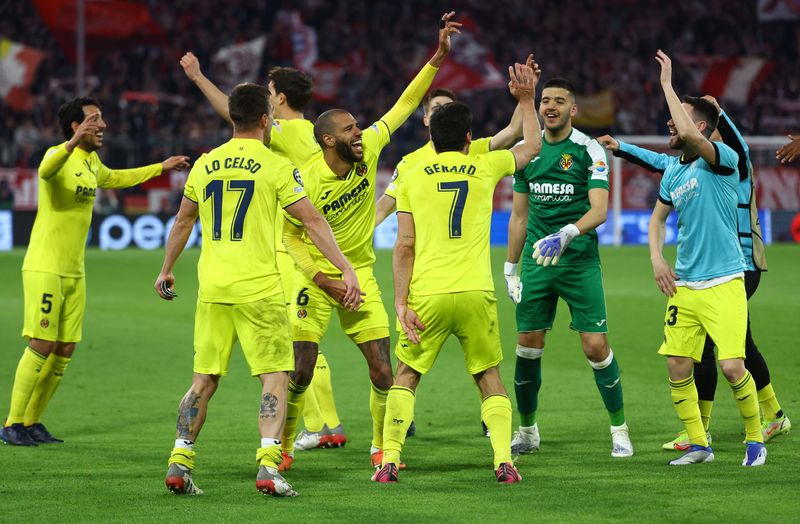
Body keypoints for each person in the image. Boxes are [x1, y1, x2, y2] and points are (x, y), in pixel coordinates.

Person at [154, 83, 361, 496]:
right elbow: (313, 223)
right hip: (259, 289)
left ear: (233, 118)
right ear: (266, 119)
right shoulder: (276, 166)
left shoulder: (206, 164)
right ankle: (269, 465)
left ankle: (180, 461)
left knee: (203, 381)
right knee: (275, 378)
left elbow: (181, 222)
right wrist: (345, 268)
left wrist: (166, 270)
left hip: (212, 287)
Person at [279, 11, 460, 472]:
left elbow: (403, 104)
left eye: (358, 127)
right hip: (318, 281)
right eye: (349, 130)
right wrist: (322, 276)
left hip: (361, 276)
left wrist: (437, 58)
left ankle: (381, 447)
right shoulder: (308, 181)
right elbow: (291, 236)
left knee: (382, 369)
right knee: (300, 370)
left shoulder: (370, 150)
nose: (359, 133)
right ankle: (281, 445)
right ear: (326, 139)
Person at [373, 59, 542, 484]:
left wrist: (400, 301)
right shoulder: (485, 165)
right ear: (470, 138)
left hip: (427, 293)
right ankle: (504, 460)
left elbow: (404, 245)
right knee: (488, 376)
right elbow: (531, 146)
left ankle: (389, 460)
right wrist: (526, 99)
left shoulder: (411, 173)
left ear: (430, 133)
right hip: (474, 291)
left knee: (407, 375)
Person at [598, 95, 790, 451]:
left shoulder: (735, 160)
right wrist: (621, 147)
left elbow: (717, 134)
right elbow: (663, 161)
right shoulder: (691, 165)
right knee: (739, 344)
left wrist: (719, 110)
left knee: (709, 345)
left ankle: (704, 428)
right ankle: (771, 414)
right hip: (712, 267)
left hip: (739, 263)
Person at [179, 54, 347, 451]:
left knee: (296, 342)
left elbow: (237, 115)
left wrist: (199, 78)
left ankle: (319, 426)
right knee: (303, 338)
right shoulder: (317, 134)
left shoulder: (286, 132)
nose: (268, 104)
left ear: (280, 103)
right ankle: (323, 422)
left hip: (279, 250)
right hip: (305, 239)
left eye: (271, 94)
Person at [0, 97, 189, 446]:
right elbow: (45, 171)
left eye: (102, 119)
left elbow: (116, 178)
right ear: (76, 126)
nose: (102, 125)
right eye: (94, 120)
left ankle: (32, 422)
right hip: (45, 266)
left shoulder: (91, 162)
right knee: (42, 342)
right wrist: (71, 144)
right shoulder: (59, 155)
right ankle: (11, 423)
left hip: (75, 271)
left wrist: (160, 167)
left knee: (65, 347)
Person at [646, 50, 765, 466]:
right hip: (686, 284)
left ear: (696, 126)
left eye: (677, 118)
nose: (668, 125)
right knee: (678, 365)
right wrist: (658, 258)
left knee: (733, 366)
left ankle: (755, 439)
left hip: (726, 280)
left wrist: (666, 84)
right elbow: (657, 220)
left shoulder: (723, 161)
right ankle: (699, 445)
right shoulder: (675, 172)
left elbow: (697, 138)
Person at [504, 78, 633, 458]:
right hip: (537, 262)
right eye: (545, 101)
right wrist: (511, 268)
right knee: (527, 347)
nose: (550, 106)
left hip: (578, 261)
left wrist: (569, 232)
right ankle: (527, 431)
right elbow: (518, 216)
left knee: (596, 347)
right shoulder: (526, 152)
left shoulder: (588, 150)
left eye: (559, 101)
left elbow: (599, 210)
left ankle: (619, 429)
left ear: (573, 109)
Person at [374, 74, 528, 226]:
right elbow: (381, 210)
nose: (444, 113)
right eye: (437, 108)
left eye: (449, 109)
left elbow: (513, 131)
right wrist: (350, 242)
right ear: (426, 119)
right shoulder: (409, 164)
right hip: (427, 249)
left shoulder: (474, 148)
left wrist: (526, 96)